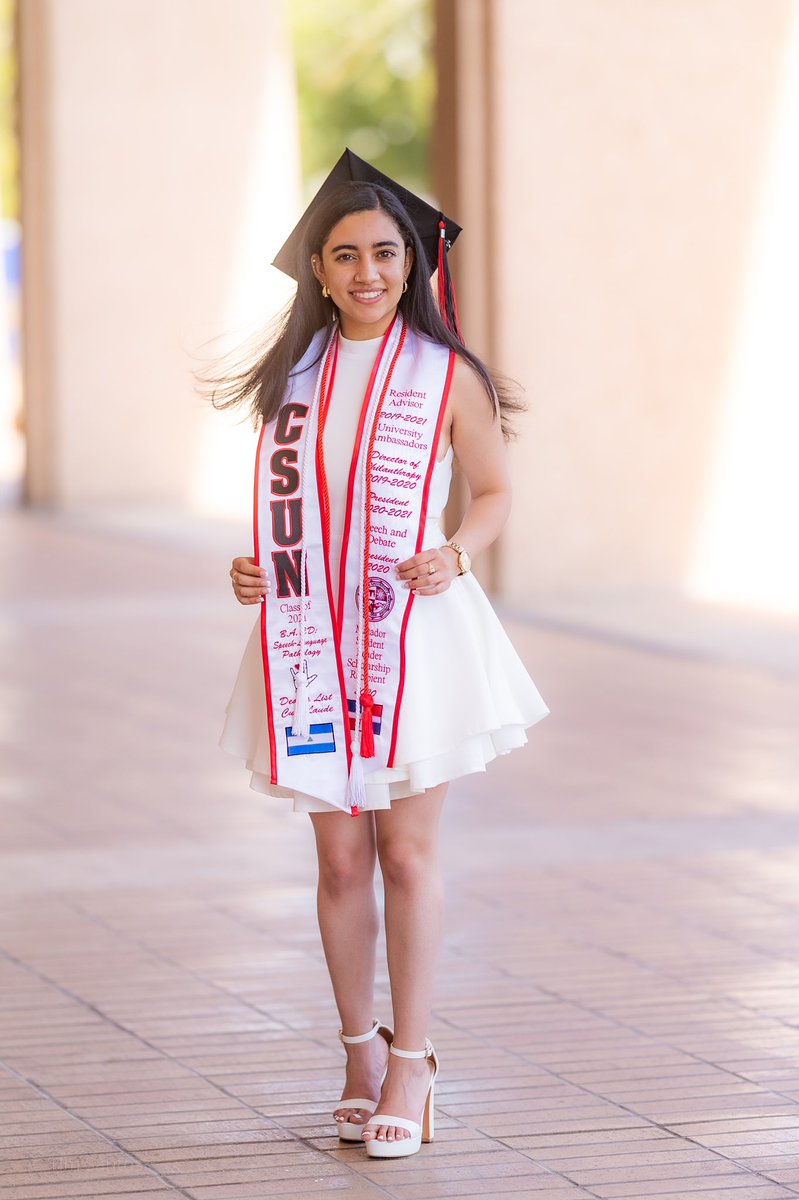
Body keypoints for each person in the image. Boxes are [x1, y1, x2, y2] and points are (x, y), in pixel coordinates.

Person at [210, 150, 550, 1159]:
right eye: (346, 255)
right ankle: (358, 1055)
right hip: (311, 639)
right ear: (317, 271)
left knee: (404, 853)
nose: (368, 272)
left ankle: (413, 1061)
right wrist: (252, 569)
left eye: (386, 253)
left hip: (413, 634)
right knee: (337, 859)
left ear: (412, 265)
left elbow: (493, 491)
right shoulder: (292, 380)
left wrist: (457, 551)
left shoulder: (445, 374)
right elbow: (292, 513)